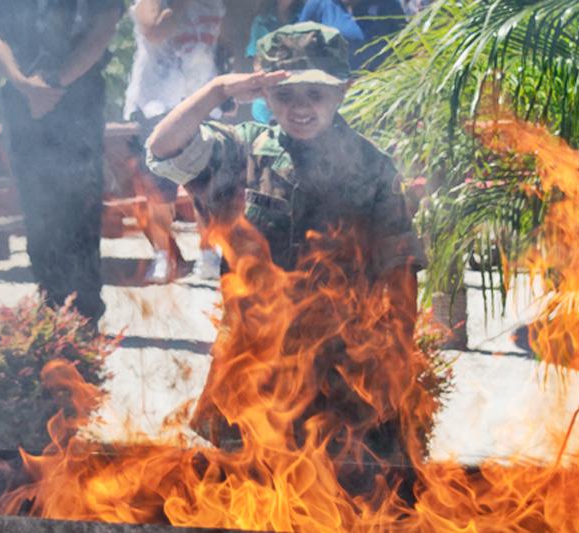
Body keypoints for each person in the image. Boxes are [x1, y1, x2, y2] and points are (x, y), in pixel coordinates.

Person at [147, 22, 425, 469]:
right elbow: (161, 148)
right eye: (285, 96)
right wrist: (218, 89)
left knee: (338, 501)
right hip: (251, 368)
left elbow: (400, 272)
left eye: (315, 94)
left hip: (343, 375)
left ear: (342, 93)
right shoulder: (241, 152)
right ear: (265, 94)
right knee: (246, 497)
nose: (300, 109)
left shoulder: (374, 170)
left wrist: (397, 365)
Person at [0, 0, 124, 324]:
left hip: (78, 99)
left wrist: (56, 83)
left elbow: (104, 24)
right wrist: (24, 85)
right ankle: (51, 308)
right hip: (20, 101)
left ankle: (83, 317)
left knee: (79, 212)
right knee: (37, 213)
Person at [124, 0, 226, 283]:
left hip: (202, 98)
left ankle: (208, 254)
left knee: (206, 183)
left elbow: (221, 43)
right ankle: (164, 255)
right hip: (158, 102)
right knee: (159, 187)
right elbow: (153, 30)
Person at [299, 0, 406, 70]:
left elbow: (404, 46)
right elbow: (298, 48)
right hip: (334, 92)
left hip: (378, 91)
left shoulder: (387, 4)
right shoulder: (318, 4)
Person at [245, 0, 304, 124]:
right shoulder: (261, 22)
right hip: (268, 99)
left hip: (299, 94)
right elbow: (257, 63)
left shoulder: (305, 16)